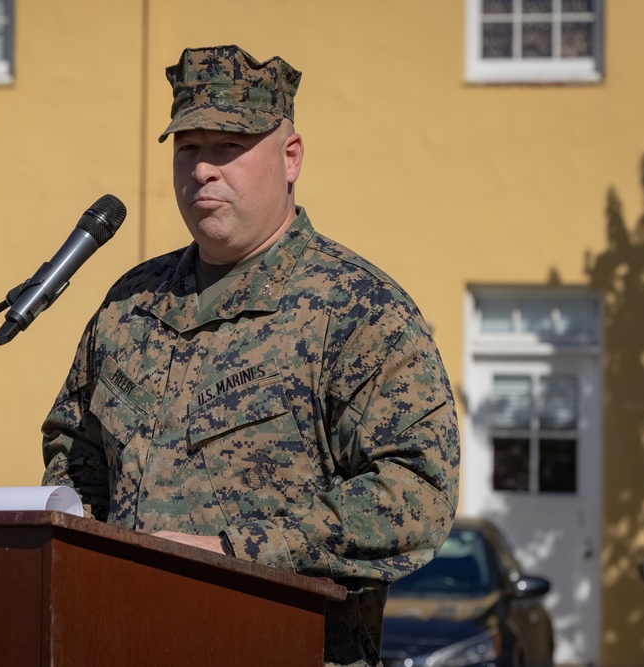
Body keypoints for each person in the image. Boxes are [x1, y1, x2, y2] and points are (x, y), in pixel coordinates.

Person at [41, 44, 459, 666]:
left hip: (286, 646)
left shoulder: (355, 309)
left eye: (228, 148)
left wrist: (238, 551)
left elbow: (416, 493)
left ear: (290, 159)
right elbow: (74, 453)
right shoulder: (129, 305)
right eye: (188, 149)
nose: (203, 170)